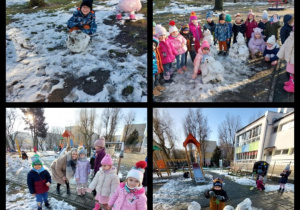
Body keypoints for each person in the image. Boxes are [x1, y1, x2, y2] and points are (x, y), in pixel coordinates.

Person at [277, 26, 294, 93]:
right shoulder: (291, 36)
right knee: (291, 71)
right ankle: (291, 82)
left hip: (293, 60)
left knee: (293, 72)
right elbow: (285, 45)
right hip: (290, 59)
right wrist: (281, 54)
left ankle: (293, 87)